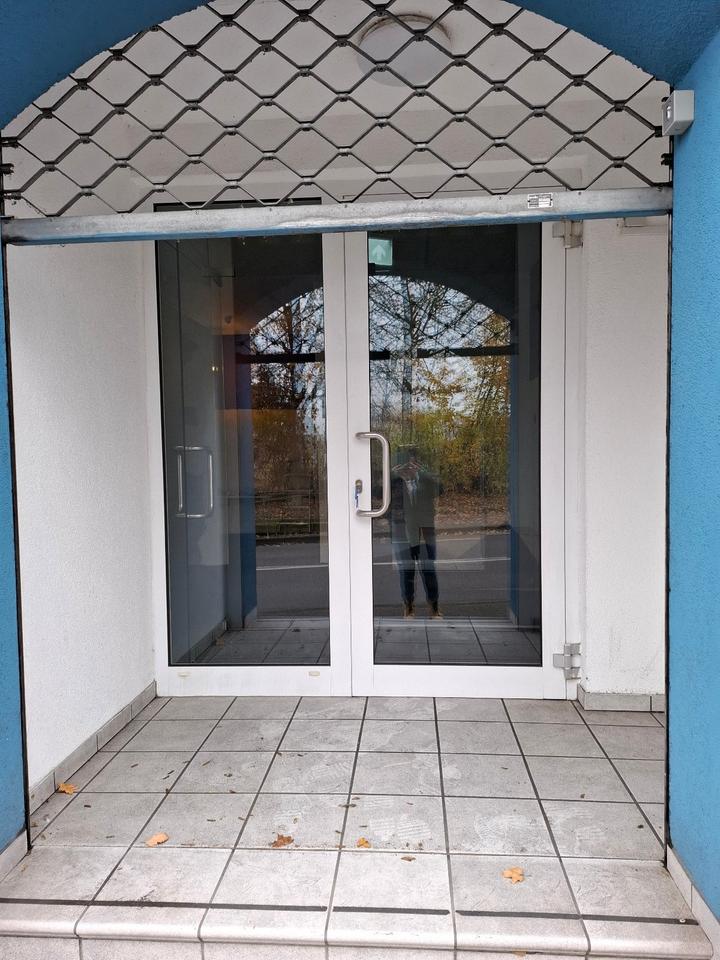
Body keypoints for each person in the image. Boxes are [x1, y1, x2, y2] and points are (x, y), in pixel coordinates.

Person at [389, 445, 442, 618]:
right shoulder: (394, 482)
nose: (408, 468)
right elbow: (376, 493)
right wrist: (391, 474)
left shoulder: (425, 480)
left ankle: (434, 607)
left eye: (412, 464)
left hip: (424, 531)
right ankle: (408, 606)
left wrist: (424, 473)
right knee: (406, 570)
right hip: (402, 531)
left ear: (417, 464)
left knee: (428, 569)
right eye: (405, 465)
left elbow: (440, 490)